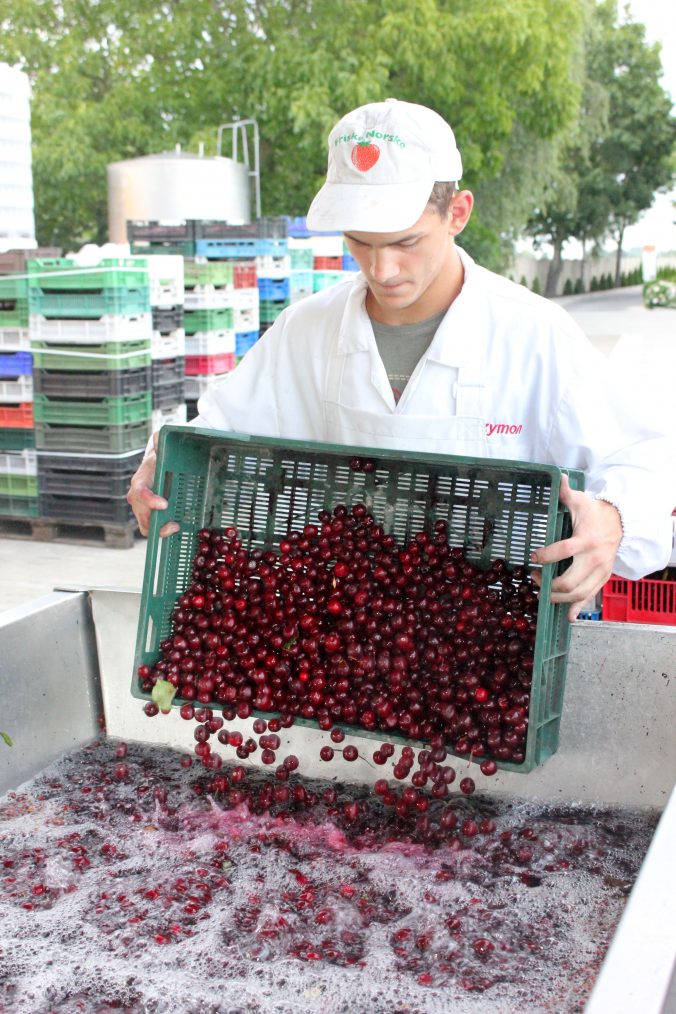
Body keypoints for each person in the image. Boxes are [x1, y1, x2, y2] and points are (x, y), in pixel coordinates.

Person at [128, 98, 676, 620]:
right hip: (344, 626)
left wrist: (612, 519)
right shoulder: (307, 330)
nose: (381, 269)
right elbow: (214, 433)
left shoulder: (534, 335)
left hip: (495, 632)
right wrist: (160, 463)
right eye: (360, 242)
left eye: (406, 242)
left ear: (457, 213)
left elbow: (642, 455)